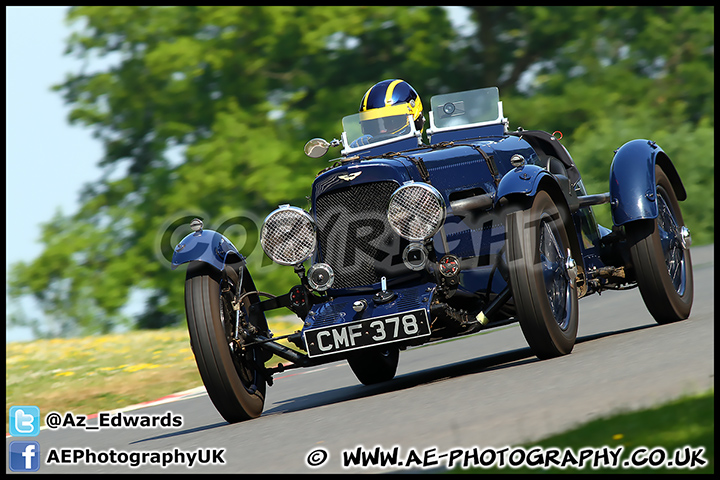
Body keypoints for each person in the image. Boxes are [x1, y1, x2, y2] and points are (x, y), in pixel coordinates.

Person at [351, 79, 425, 147]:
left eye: (391, 123)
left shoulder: (429, 158)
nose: (382, 131)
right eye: (374, 126)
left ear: (413, 118)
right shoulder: (361, 159)